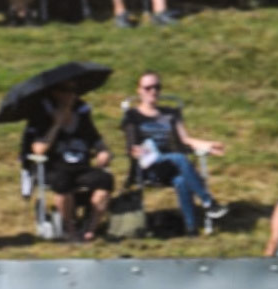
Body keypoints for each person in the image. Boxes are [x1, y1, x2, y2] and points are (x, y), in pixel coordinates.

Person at [120, 71, 228, 236]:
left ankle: (191, 229)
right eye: (148, 88)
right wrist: (136, 151)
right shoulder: (133, 116)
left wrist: (208, 145)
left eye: (157, 87)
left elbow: (185, 140)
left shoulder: (170, 114)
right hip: (148, 167)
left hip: (171, 167)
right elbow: (131, 145)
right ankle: (208, 201)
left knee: (181, 180)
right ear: (139, 90)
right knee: (179, 158)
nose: (153, 92)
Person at [25, 84, 114, 242]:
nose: (71, 95)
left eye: (73, 92)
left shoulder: (82, 118)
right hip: (56, 167)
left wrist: (103, 152)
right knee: (62, 182)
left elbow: (98, 141)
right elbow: (38, 149)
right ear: (56, 93)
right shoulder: (43, 117)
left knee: (105, 180)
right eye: (66, 91)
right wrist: (56, 124)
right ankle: (70, 229)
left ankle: (90, 228)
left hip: (81, 167)